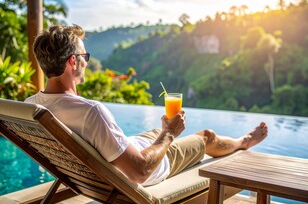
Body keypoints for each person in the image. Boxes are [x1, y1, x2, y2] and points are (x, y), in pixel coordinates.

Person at [25, 25, 268, 186]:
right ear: (73, 62)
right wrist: (171, 133)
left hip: (114, 159)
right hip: (146, 170)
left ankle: (165, 133)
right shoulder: (90, 112)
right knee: (206, 136)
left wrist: (164, 133)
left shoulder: (31, 107)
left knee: (156, 132)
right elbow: (140, 172)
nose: (87, 63)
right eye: (85, 57)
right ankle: (242, 142)